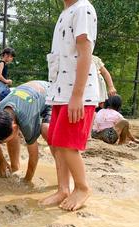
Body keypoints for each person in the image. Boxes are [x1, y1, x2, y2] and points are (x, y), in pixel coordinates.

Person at [42, 0, 98, 211]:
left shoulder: (82, 8)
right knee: (57, 142)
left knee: (67, 144)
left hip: (76, 93)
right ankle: (63, 189)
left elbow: (86, 53)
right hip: (60, 91)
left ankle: (82, 187)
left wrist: (77, 96)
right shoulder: (66, 11)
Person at [0, 80, 51, 181]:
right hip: (30, 92)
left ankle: (65, 170)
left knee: (47, 131)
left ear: (14, 127)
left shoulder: (26, 121)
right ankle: (14, 168)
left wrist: (27, 181)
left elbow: (34, 155)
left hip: (49, 95)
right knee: (10, 136)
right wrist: (2, 161)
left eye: (3, 142)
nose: (2, 143)